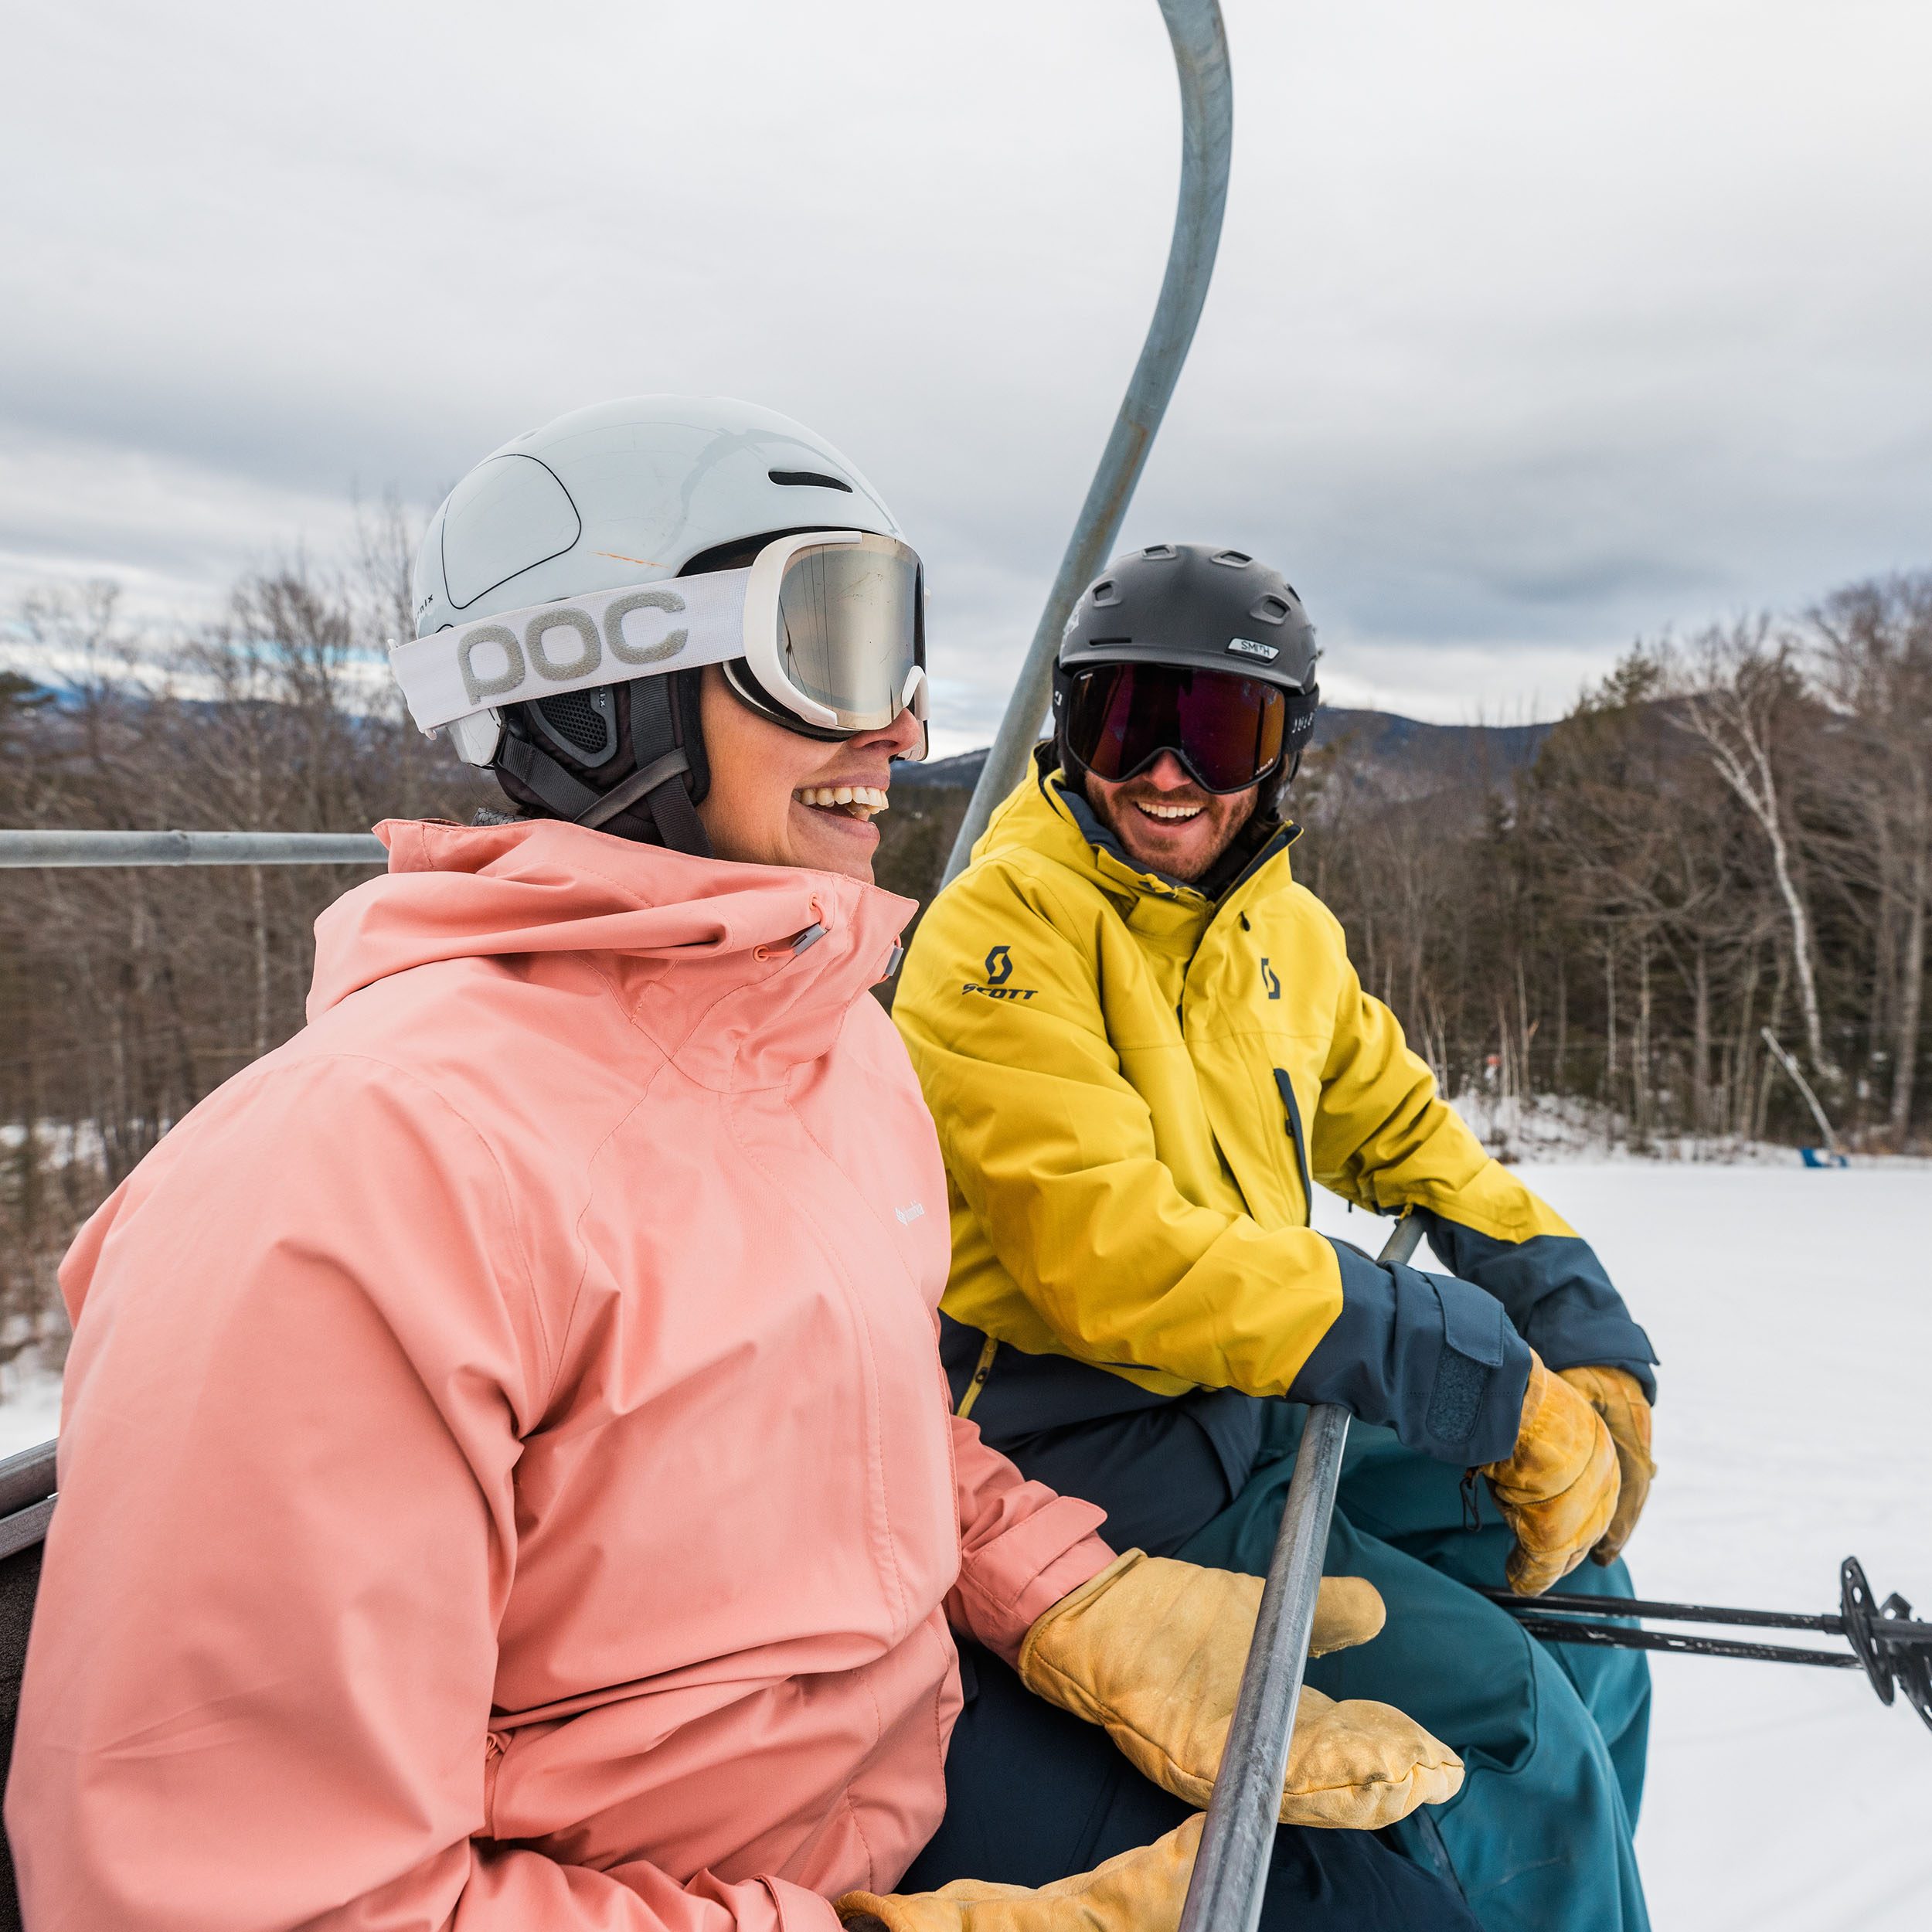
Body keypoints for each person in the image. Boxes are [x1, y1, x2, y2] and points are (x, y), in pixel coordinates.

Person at [7, 411, 1479, 1932]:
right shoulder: (348, 1183)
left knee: (1386, 1868)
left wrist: (1074, 1597)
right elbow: (246, 1897)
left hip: (885, 1769)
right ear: (594, 684)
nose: (900, 732)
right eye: (828, 646)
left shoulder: (825, 1047)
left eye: (899, 654)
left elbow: (848, 1422)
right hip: (659, 1877)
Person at [892, 543, 1661, 1932]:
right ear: (1069, 729)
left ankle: (1577, 1883)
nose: (1166, 774)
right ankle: (1537, 1870)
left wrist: (1574, 1325)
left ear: (1283, 752)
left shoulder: (1280, 934)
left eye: (1218, 730)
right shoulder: (1000, 936)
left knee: (1593, 1603)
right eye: (1124, 722)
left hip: (1242, 1393)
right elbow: (1111, 1252)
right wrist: (1467, 1367)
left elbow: (1409, 1135)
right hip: (1085, 1439)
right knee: (1518, 1727)